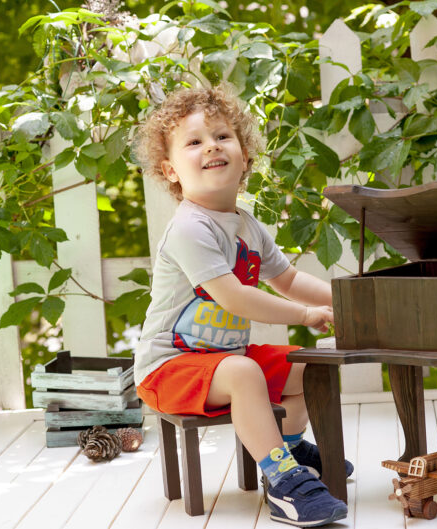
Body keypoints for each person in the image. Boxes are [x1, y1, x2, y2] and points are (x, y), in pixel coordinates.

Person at [133, 83, 352, 527]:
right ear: (170, 170)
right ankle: (285, 485)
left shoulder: (247, 224)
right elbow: (234, 297)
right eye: (194, 142)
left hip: (223, 361)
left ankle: (289, 449)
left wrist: (350, 300)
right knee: (244, 371)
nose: (211, 146)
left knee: (311, 365)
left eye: (221, 136)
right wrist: (307, 316)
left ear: (245, 156)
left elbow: (288, 279)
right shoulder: (190, 228)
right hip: (168, 368)